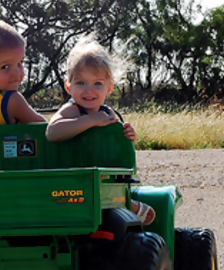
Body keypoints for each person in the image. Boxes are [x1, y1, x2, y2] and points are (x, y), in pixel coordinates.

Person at [46, 38, 155, 225]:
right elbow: (52, 132)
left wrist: (127, 135)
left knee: (120, 192)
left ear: (109, 88)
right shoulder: (72, 110)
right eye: (81, 82)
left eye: (97, 84)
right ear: (68, 86)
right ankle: (124, 205)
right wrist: (89, 120)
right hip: (74, 180)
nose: (89, 91)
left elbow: (114, 142)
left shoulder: (107, 112)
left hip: (104, 176)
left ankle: (123, 203)